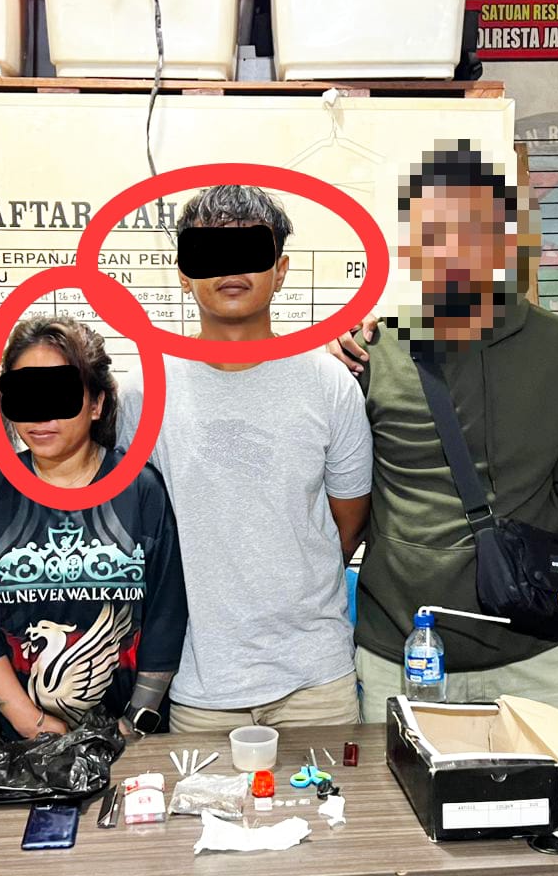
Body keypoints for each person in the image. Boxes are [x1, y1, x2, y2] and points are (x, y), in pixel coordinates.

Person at [349, 142, 558, 736]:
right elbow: (343, 497)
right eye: (435, 232)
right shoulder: (373, 352)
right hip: (403, 657)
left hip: (538, 656)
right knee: (391, 801)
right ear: (410, 246)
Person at [116, 184, 372, 733]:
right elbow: (138, 529)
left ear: (280, 271)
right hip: (198, 684)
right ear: (184, 274)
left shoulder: (330, 385)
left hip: (316, 682)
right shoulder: (143, 391)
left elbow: (348, 522)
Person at [0, 316, 187, 740]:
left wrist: (134, 722)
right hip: (19, 742)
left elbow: (166, 615)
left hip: (132, 735)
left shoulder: (141, 490)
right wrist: (30, 722)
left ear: (96, 404)